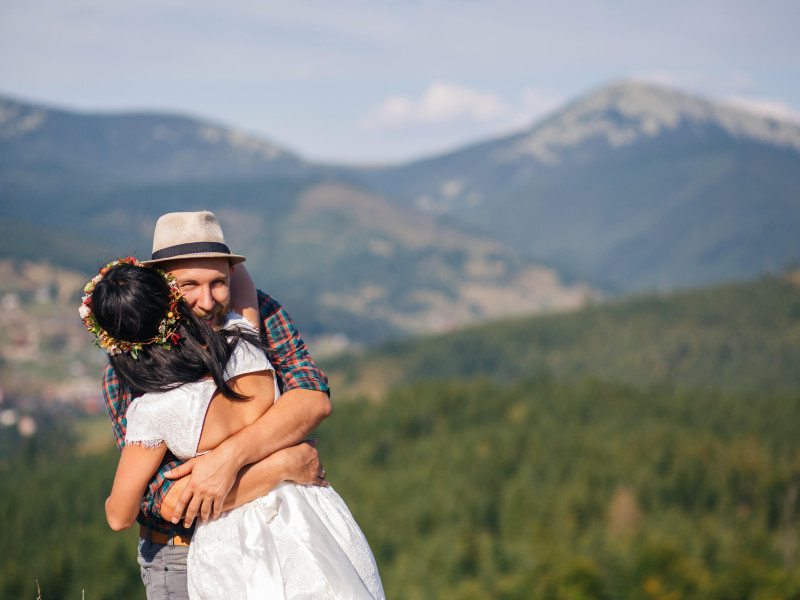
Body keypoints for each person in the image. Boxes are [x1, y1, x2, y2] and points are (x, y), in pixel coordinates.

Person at [86, 259, 384, 598]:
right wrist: (281, 466)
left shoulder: (150, 412)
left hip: (230, 545)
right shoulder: (242, 340)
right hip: (307, 516)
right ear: (173, 305)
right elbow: (237, 273)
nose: (207, 301)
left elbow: (119, 516)